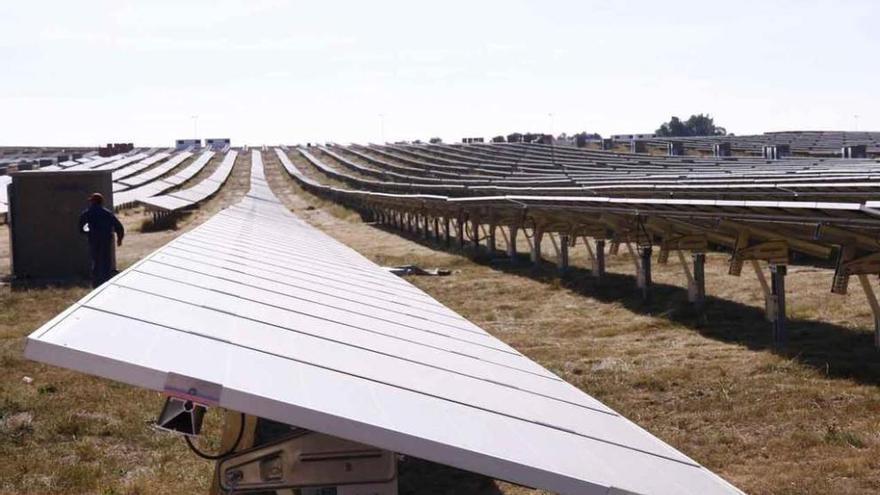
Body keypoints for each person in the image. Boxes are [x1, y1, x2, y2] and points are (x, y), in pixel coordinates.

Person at [78, 193, 124, 287]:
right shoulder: (107, 213)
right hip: (106, 240)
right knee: (106, 260)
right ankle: (106, 282)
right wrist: (119, 239)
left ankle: (96, 283)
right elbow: (119, 227)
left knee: (96, 261)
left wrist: (87, 233)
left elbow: (81, 227)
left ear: (93, 202)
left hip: (94, 240)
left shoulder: (87, 213)